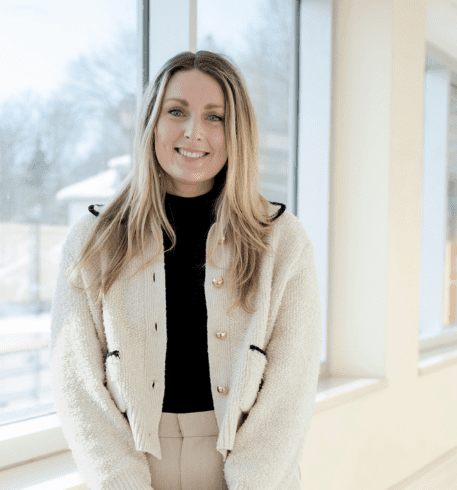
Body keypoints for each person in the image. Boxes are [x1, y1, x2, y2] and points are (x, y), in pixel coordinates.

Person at [50, 50, 322, 490]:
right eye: (176, 111)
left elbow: (290, 388)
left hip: (248, 468)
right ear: (151, 122)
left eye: (215, 117)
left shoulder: (281, 239)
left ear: (236, 132)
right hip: (132, 466)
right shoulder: (93, 239)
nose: (194, 132)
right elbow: (77, 383)